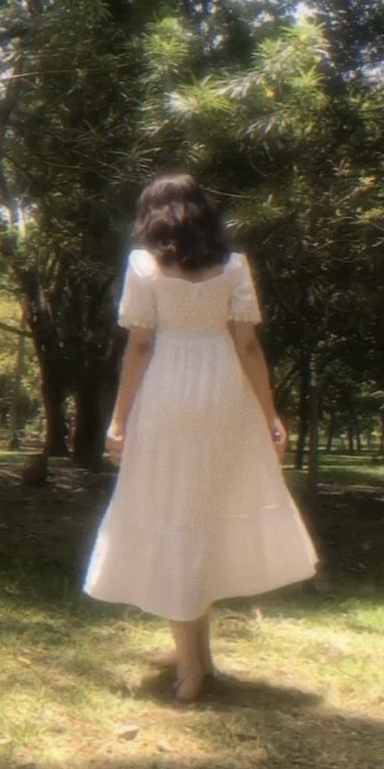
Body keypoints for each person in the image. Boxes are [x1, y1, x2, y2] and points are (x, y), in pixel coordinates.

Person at [83, 173, 318, 703]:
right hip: (222, 397)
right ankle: (197, 654)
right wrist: (270, 414)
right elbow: (249, 346)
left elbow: (140, 347)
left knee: (176, 520)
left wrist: (118, 420)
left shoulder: (144, 266)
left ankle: (192, 665)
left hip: (167, 396)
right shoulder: (234, 266)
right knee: (198, 521)